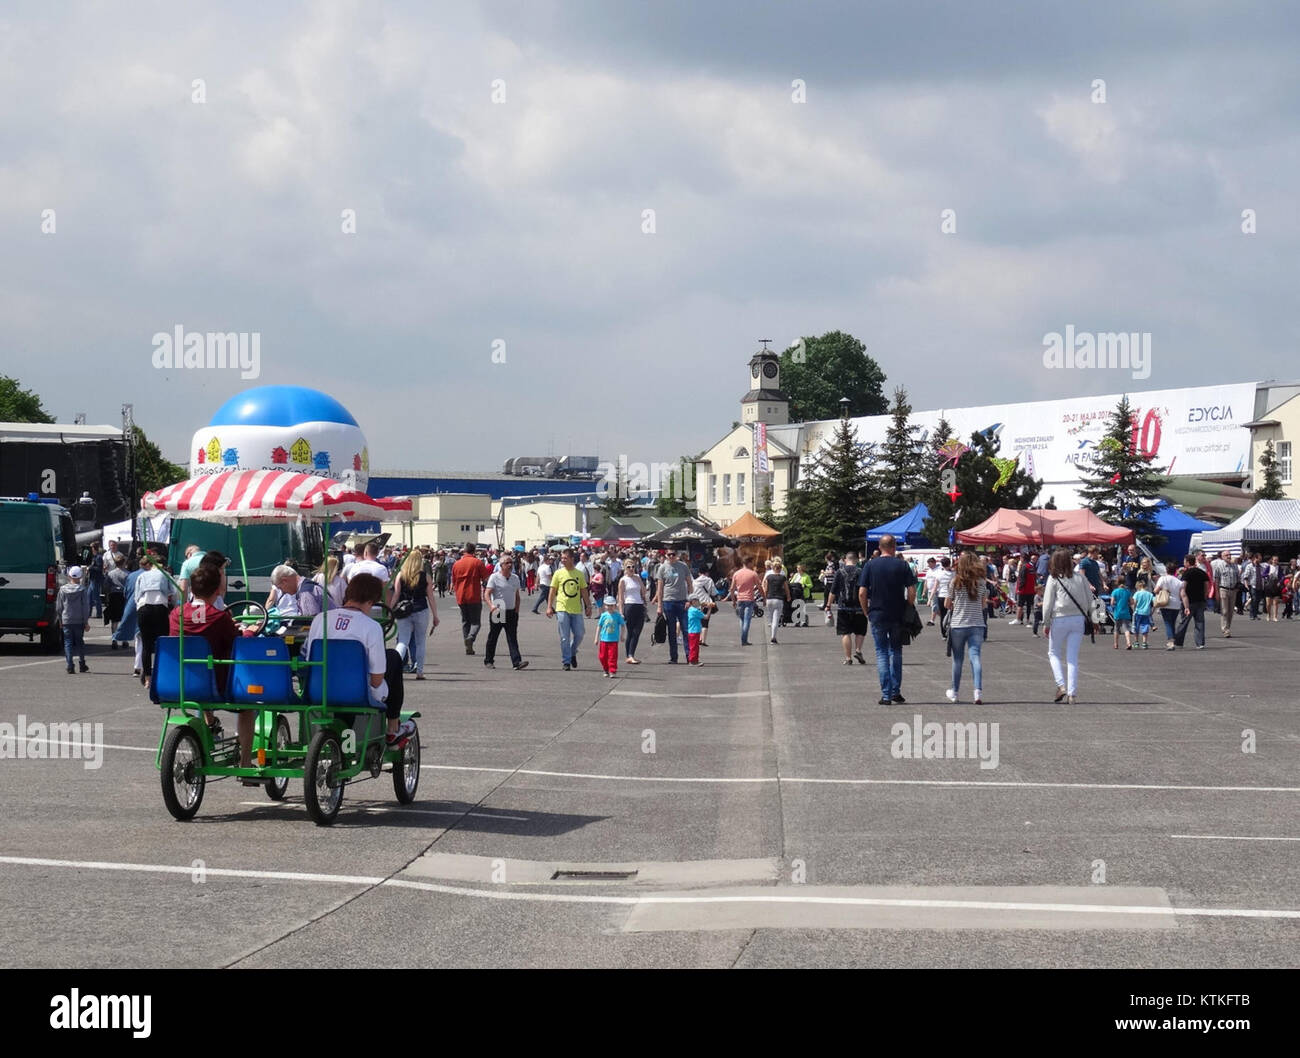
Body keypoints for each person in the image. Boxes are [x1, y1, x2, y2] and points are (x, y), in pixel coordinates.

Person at [303, 573, 413, 745]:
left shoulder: (320, 619)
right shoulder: (371, 627)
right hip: (357, 692)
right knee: (393, 657)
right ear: (372, 600)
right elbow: (376, 681)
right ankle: (393, 726)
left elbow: (309, 657)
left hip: (319, 688)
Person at [170, 563, 258, 771]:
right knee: (248, 705)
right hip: (215, 685)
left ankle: (210, 725)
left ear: (192, 588)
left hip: (179, 682)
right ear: (217, 589)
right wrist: (250, 631)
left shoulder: (176, 614)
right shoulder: (219, 617)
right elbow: (237, 642)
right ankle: (245, 762)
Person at [857, 534, 917, 706]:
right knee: (896, 652)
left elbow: (862, 592)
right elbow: (912, 591)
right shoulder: (902, 565)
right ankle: (896, 691)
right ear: (894, 546)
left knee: (881, 652)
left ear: (880, 546)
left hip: (877, 613)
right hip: (897, 614)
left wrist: (866, 611)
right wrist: (908, 606)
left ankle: (885, 694)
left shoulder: (870, 565)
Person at [1042, 548, 1091, 705]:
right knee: (1072, 657)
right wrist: (1090, 617)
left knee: (1053, 652)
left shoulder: (1054, 578)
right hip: (1078, 619)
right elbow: (1090, 599)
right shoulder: (1080, 577)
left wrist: (1046, 622)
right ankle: (1072, 693)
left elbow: (1048, 603)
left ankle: (1061, 685)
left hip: (1059, 618)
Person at [944, 552, 987, 704]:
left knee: (958, 660)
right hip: (977, 623)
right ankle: (977, 692)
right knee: (975, 657)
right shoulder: (981, 582)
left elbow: (947, 604)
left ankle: (954, 692)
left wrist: (957, 604)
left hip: (958, 624)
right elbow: (983, 604)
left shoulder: (955, 582)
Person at [389, 550, 439, 679]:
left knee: (403, 641)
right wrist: (435, 615)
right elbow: (431, 597)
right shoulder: (426, 576)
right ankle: (420, 671)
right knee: (420, 642)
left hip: (404, 611)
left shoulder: (401, 575)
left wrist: (389, 610)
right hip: (421, 609)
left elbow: (396, 595)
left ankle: (395, 669)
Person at [134, 553, 179, 687]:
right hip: (160, 608)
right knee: (162, 643)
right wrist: (175, 606)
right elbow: (174, 592)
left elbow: (136, 597)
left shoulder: (142, 575)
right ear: (163, 565)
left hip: (144, 608)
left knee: (146, 645)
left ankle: (147, 678)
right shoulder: (165, 575)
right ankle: (161, 675)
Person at [547, 548, 591, 670]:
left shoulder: (579, 574)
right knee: (564, 637)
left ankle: (572, 652)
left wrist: (588, 606)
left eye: (565, 558)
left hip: (576, 609)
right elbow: (552, 590)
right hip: (562, 608)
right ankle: (566, 661)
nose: (563, 560)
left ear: (572, 559)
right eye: (562, 558)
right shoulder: (558, 573)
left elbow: (584, 591)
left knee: (580, 634)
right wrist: (549, 606)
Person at [484, 554, 528, 670]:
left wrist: (517, 610)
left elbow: (517, 596)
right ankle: (489, 660)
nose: (510, 565)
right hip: (499, 609)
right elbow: (487, 594)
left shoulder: (515, 578)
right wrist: (491, 606)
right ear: (501, 565)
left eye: (511, 563)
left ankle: (517, 662)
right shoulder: (494, 577)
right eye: (507, 563)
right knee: (493, 637)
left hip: (511, 611)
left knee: (512, 637)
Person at [656, 549, 694, 664]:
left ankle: (689, 656)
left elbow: (689, 583)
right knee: (671, 631)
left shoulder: (683, 566)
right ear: (666, 555)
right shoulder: (662, 568)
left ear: (677, 555)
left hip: (682, 601)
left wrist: (690, 599)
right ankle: (674, 657)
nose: (671, 556)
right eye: (669, 554)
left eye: (673, 554)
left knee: (686, 629)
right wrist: (659, 605)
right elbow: (660, 588)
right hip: (668, 601)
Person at [451, 542, 490, 655]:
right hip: (473, 595)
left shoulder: (457, 564)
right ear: (474, 551)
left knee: (465, 621)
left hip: (461, 596)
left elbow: (453, 580)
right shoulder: (477, 562)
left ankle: (468, 645)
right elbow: (485, 578)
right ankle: (471, 638)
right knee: (475, 622)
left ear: (464, 551)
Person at [829, 552, 867, 666]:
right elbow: (865, 590)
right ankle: (858, 650)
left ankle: (848, 657)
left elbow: (833, 590)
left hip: (843, 607)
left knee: (845, 633)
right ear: (856, 560)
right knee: (860, 631)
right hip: (859, 606)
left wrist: (828, 604)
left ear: (845, 560)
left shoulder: (839, 572)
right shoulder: (861, 572)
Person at [55, 565, 91, 674]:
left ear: (69, 575)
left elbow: (59, 607)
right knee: (79, 642)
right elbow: (85, 607)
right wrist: (86, 621)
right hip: (79, 619)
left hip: (66, 619)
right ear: (80, 577)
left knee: (68, 642)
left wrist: (60, 620)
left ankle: (70, 665)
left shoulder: (62, 589)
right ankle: (82, 663)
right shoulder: (82, 590)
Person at [1174, 553, 1210, 649]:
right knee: (1200, 622)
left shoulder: (1187, 573)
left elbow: (1183, 586)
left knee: (1184, 622)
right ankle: (1200, 643)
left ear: (1187, 562)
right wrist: (1205, 596)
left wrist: (1182, 597)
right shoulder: (1202, 572)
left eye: (1184, 561)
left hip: (1189, 601)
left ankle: (1178, 641)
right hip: (1200, 600)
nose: (1183, 563)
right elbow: (1207, 586)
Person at [727, 555, 762, 646]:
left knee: (742, 619)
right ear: (749, 563)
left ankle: (744, 638)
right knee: (747, 620)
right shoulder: (753, 574)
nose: (753, 564)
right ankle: (744, 640)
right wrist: (764, 597)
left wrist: (733, 601)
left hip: (740, 599)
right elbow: (759, 587)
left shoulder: (736, 574)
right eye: (752, 563)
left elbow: (732, 589)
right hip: (749, 599)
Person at [617, 561, 647, 664]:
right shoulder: (623, 580)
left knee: (637, 631)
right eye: (629, 567)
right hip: (629, 605)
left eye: (633, 567)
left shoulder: (637, 578)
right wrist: (621, 612)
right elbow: (620, 598)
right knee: (631, 632)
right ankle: (630, 655)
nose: (631, 569)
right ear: (625, 568)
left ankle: (630, 655)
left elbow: (644, 592)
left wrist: (639, 580)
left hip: (639, 605)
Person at [1210, 550, 1239, 637]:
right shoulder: (1219, 566)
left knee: (1231, 611)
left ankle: (1228, 628)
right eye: (1227, 555)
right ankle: (1225, 629)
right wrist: (1217, 593)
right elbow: (1216, 580)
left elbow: (1238, 577)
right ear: (1222, 557)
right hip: (1223, 589)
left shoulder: (1234, 566)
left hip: (1233, 590)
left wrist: (1237, 587)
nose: (1229, 556)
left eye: (1230, 554)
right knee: (1224, 611)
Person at [763, 558, 791, 644]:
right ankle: (773, 637)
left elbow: (766, 589)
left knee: (771, 618)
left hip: (769, 598)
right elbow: (786, 589)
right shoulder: (782, 578)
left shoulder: (768, 577)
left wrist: (764, 598)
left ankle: (772, 632)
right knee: (776, 619)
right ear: (780, 569)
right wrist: (788, 597)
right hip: (778, 599)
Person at [690, 565, 718, 646]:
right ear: (707, 572)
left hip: (697, 604)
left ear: (699, 573)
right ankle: (703, 640)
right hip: (707, 603)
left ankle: (698, 638)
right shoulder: (709, 580)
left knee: (698, 621)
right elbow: (713, 592)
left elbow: (692, 592)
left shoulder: (694, 581)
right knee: (705, 622)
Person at [597, 595, 625, 677]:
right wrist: (596, 638)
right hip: (603, 639)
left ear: (614, 606)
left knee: (612, 656)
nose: (609, 607)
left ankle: (612, 670)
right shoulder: (603, 615)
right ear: (605, 606)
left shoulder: (617, 615)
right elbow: (599, 626)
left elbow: (623, 625)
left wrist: (622, 635)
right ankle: (606, 669)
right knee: (602, 656)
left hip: (613, 640)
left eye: (611, 605)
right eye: (608, 605)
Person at [104, 553, 128, 640]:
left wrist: (107, 597)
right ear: (124, 562)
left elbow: (106, 586)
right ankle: (125, 639)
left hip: (113, 596)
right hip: (124, 596)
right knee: (124, 618)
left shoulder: (110, 574)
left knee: (114, 619)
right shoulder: (128, 574)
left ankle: (114, 638)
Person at [1011, 554, 1036, 627]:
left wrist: (1020, 588)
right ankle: (1028, 620)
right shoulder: (1031, 566)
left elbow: (1022, 578)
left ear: (1022, 558)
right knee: (1028, 605)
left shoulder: (1024, 566)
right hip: (1031, 589)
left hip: (1024, 589)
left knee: (1020, 604)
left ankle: (1018, 619)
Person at [1110, 576, 1133, 650]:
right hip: (1126, 612)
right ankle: (1128, 643)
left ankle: (1116, 644)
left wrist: (1116, 603)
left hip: (1117, 612)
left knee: (1116, 629)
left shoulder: (1115, 591)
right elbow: (1132, 602)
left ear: (1117, 582)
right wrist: (1127, 604)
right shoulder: (1127, 591)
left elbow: (1112, 603)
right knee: (1126, 629)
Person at [1132, 577, 1154, 649]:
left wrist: (1133, 609)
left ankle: (1136, 642)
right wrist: (1152, 611)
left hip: (1138, 612)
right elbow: (1155, 603)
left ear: (1138, 586)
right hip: (1146, 613)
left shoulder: (1137, 593)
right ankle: (1144, 643)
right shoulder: (1150, 594)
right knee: (1145, 627)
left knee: (1136, 627)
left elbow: (1134, 603)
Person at [685, 597, 704, 665]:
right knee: (694, 647)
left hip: (692, 631)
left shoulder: (691, 609)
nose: (698, 602)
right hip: (694, 631)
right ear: (693, 602)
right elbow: (705, 616)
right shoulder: (694, 610)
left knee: (695, 646)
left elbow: (699, 614)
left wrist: (701, 608)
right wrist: (710, 609)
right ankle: (692, 661)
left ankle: (695, 660)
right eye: (697, 601)